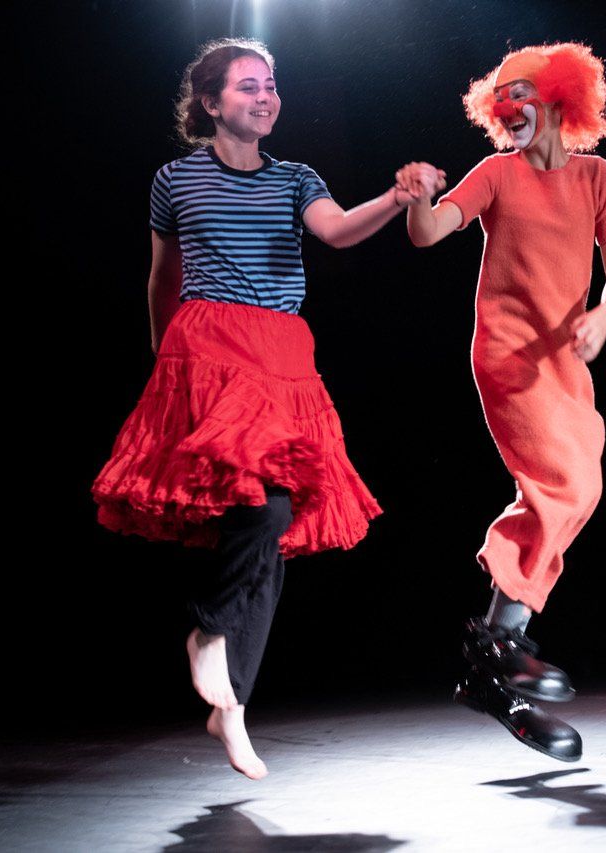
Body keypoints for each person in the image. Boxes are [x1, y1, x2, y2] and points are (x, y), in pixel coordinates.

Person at [91, 37, 431, 780]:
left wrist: (395, 198)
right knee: (262, 513)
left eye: (270, 85)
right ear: (211, 103)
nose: (265, 96)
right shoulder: (175, 179)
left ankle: (233, 704)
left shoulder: (295, 178)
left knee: (275, 521)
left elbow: (337, 230)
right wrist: (167, 367)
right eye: (248, 86)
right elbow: (163, 277)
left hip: (281, 354)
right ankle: (210, 630)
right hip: (209, 347)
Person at [399, 42, 606, 761]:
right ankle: (500, 643)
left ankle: (493, 658)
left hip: (566, 357)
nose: (509, 109)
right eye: (501, 100)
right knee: (560, 486)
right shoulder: (496, 174)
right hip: (508, 355)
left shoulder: (598, 176)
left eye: (522, 94)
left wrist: (603, 316)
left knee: (582, 486)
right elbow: (430, 232)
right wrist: (416, 197)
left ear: (560, 99)